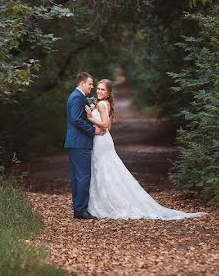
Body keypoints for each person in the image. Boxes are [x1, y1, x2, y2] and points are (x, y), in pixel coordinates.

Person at [84, 78, 206, 220]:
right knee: (108, 170)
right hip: (104, 140)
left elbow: (105, 125)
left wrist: (90, 117)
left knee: (104, 170)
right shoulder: (106, 104)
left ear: (109, 92)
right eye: (98, 89)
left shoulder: (101, 105)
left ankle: (107, 203)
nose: (99, 91)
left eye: (102, 89)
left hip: (101, 141)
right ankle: (106, 201)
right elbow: (109, 127)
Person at [63, 71, 104, 219]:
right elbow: (76, 119)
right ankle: (81, 210)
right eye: (90, 84)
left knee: (77, 177)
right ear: (81, 83)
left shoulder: (78, 97)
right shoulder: (77, 97)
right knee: (83, 177)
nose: (92, 87)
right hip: (79, 142)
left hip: (76, 142)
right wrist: (93, 130)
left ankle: (78, 209)